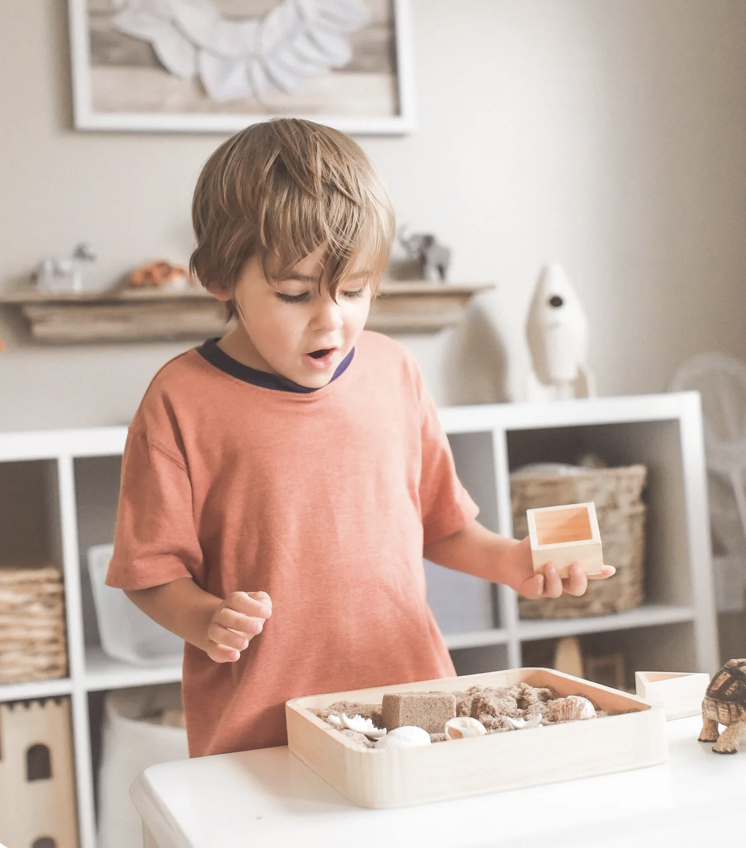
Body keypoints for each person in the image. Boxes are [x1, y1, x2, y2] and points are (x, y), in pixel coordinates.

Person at [107, 118, 615, 758]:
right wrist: (204, 619)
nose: (331, 319)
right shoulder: (180, 399)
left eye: (354, 291)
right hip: (263, 732)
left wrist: (511, 562)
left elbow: (442, 524)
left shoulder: (394, 371)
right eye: (294, 294)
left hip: (415, 711)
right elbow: (148, 571)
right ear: (219, 277)